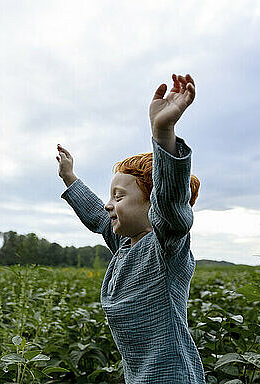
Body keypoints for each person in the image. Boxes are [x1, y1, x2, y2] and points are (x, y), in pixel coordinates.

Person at [56, 74, 204, 384]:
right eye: (110, 196)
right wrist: (70, 178)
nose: (110, 204)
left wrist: (163, 132)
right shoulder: (125, 245)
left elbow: (169, 202)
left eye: (119, 197)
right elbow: (98, 216)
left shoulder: (166, 247)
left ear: (152, 205)